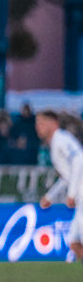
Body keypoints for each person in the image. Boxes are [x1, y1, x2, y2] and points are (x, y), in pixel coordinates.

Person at [36, 110, 83, 262]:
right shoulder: (55, 143)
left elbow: (79, 160)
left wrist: (71, 193)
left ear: (53, 123)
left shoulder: (61, 139)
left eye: (42, 123)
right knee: (74, 242)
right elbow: (66, 176)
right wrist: (50, 196)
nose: (38, 127)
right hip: (79, 193)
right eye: (37, 124)